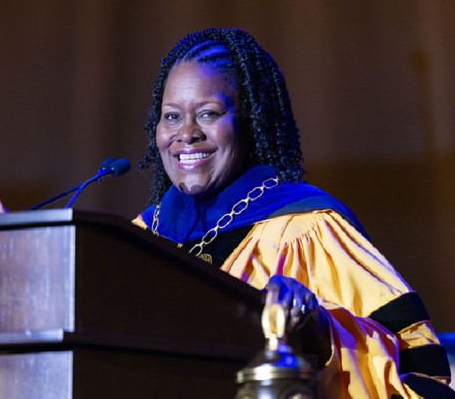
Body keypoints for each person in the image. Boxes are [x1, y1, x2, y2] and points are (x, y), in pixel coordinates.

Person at [131, 27, 453, 398]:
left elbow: (418, 365)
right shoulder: (140, 238)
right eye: (171, 117)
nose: (186, 133)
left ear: (250, 121)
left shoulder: (308, 229)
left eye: (208, 113)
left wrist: (319, 328)